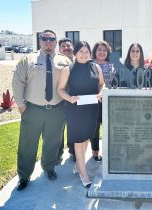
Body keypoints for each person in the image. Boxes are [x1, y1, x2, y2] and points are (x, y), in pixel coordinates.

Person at [12, 29, 69, 191]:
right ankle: (24, 176)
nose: (48, 42)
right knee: (27, 144)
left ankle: (49, 168)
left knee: (52, 142)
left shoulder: (64, 61)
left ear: (56, 42)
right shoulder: (28, 60)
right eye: (45, 39)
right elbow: (17, 82)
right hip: (33, 110)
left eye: (52, 39)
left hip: (56, 110)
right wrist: (21, 104)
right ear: (40, 41)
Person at [57, 41, 104, 187]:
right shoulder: (68, 69)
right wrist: (69, 98)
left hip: (91, 109)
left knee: (86, 139)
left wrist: (101, 92)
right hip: (75, 110)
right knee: (78, 140)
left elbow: (102, 83)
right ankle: (83, 174)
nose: (84, 55)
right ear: (75, 53)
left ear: (90, 53)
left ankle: (79, 165)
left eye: (86, 52)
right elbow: (60, 89)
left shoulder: (96, 67)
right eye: (81, 52)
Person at [91, 41, 115, 161]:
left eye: (104, 50)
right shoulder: (89, 64)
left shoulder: (111, 66)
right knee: (94, 128)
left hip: (107, 102)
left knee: (107, 127)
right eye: (99, 49)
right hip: (92, 101)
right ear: (95, 51)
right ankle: (95, 152)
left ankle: (108, 152)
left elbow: (111, 84)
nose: (102, 52)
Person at [57, 37, 76, 162]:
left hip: (74, 101)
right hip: (58, 101)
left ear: (72, 47)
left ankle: (73, 152)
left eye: (68, 45)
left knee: (74, 128)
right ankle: (57, 154)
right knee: (58, 129)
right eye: (63, 46)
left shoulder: (79, 60)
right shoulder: (55, 61)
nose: (66, 48)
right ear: (59, 49)